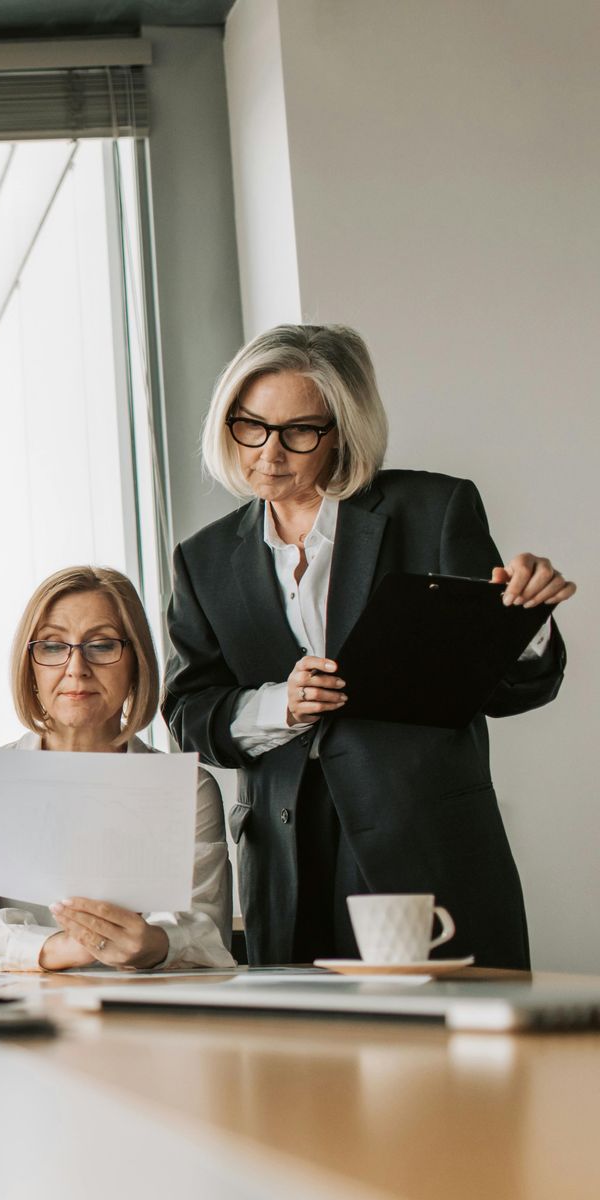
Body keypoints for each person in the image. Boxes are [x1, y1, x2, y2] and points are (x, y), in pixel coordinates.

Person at [163, 324, 572, 969]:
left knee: (455, 1059)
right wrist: (282, 705)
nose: (269, 452)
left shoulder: (436, 510)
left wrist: (525, 621)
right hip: (286, 857)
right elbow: (188, 714)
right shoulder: (204, 559)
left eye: (299, 431)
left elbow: (509, 689)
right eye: (251, 426)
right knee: (309, 1059)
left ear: (343, 429)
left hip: (425, 843)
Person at [0, 567, 235, 972]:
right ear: (30, 667)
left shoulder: (188, 789)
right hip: (11, 1015)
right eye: (52, 646)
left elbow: (204, 931)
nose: (76, 668)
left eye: (102, 645)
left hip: (143, 1016)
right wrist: (65, 948)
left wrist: (154, 944)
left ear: (136, 663)